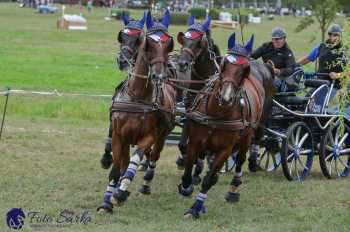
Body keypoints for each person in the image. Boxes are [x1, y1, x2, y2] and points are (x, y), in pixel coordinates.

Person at [248, 27, 298, 172]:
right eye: (274, 39)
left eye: (278, 39)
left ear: (284, 39)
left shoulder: (287, 53)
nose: (275, 41)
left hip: (280, 81)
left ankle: (261, 99)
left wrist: (278, 71)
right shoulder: (266, 47)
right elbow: (253, 55)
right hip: (265, 76)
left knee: (272, 81)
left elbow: (291, 69)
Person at [298, 24, 347, 88]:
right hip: (320, 84)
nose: (332, 37)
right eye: (330, 34)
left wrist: (338, 75)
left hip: (337, 86)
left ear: (340, 35)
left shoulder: (346, 50)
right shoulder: (321, 46)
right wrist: (293, 66)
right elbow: (307, 59)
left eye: (335, 35)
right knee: (308, 98)